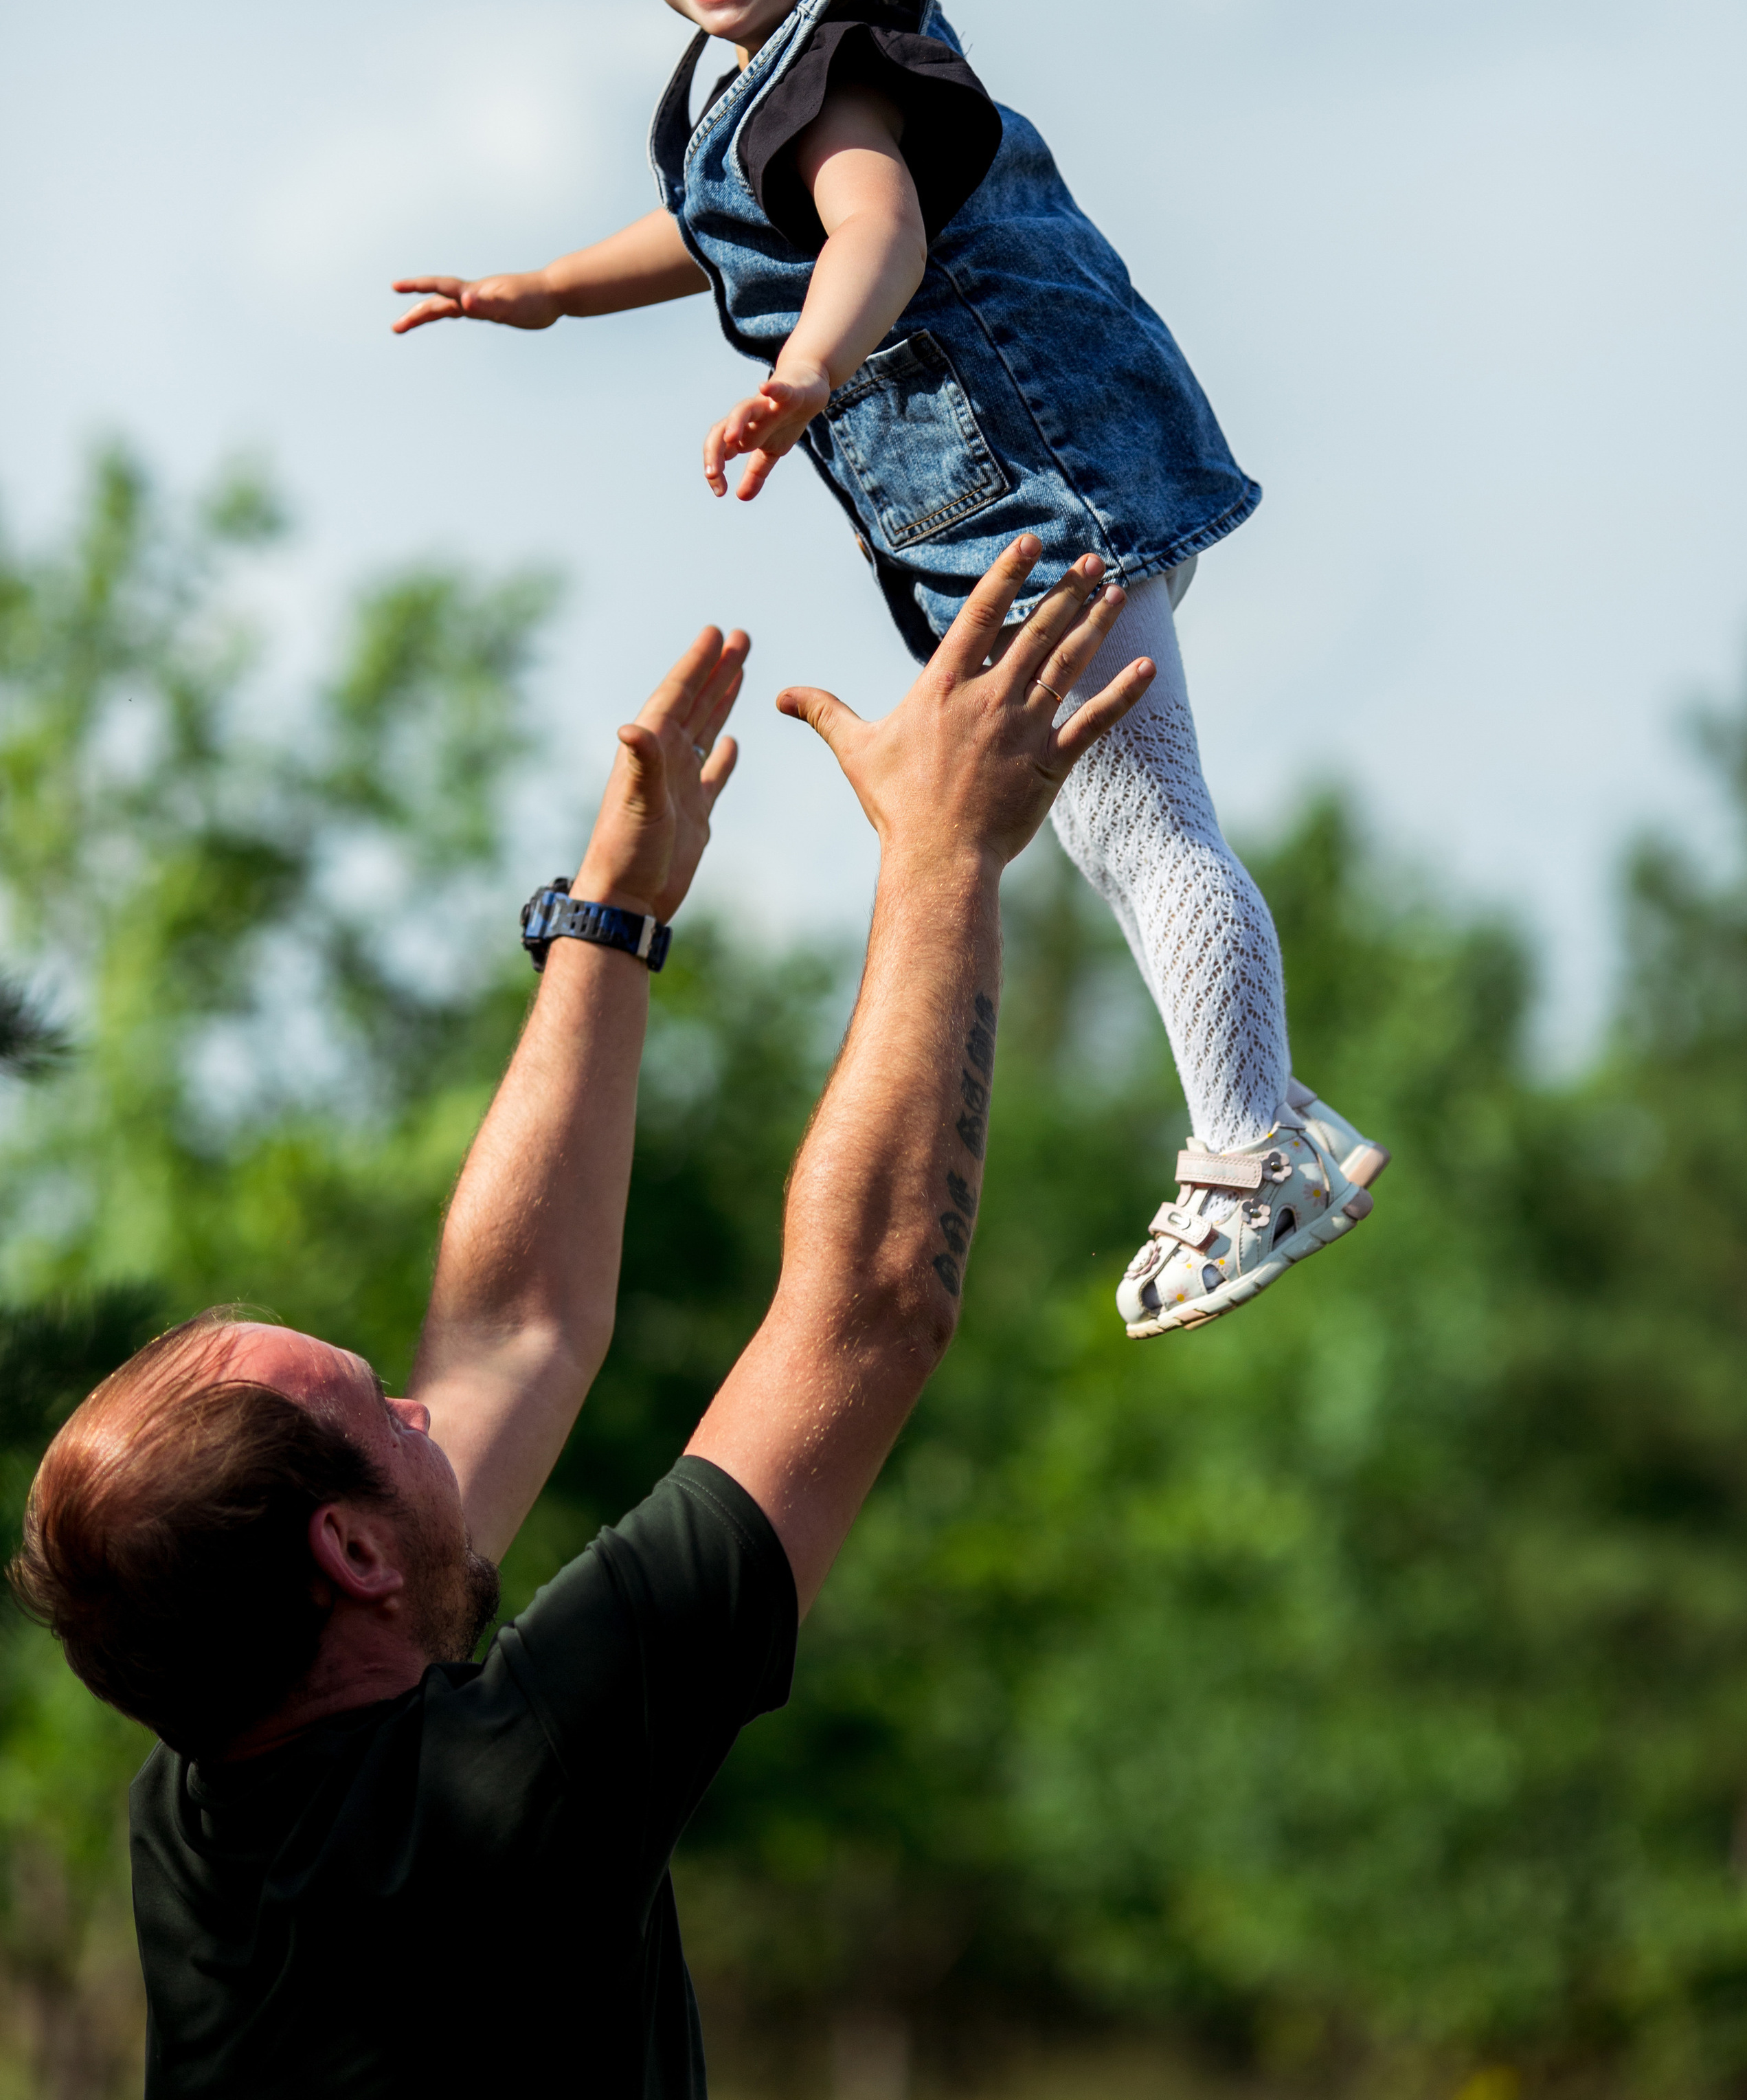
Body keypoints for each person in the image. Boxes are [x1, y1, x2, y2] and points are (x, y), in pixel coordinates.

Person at [12, 539, 1151, 2100]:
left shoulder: (204, 1812)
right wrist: (943, 855)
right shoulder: (518, 1780)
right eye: (382, 1413)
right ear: (346, 1554)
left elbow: (512, 1336)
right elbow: (871, 1311)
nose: (426, 1408)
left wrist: (607, 915)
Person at [389, 0, 1387, 1332]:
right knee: (1109, 828)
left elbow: (872, 232)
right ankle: (1256, 1118)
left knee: (1143, 830)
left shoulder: (851, 56)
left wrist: (806, 367)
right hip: (995, 509)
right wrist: (541, 291)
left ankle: (1252, 1141)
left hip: (1044, 485)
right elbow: (709, 234)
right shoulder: (739, 82)